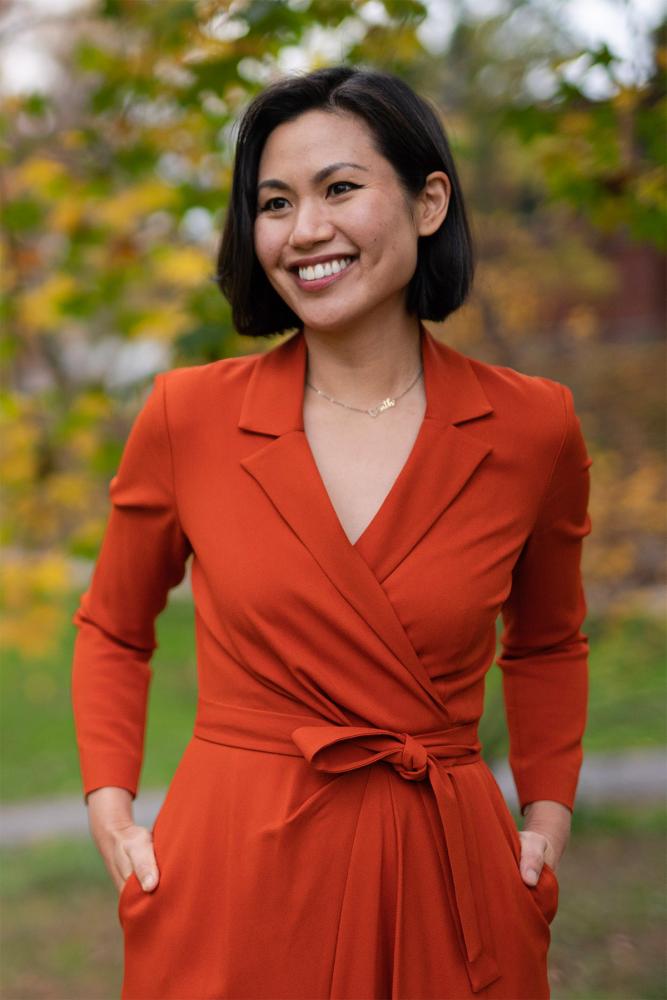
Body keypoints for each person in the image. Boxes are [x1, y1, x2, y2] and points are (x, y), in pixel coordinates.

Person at [71, 65, 593, 999]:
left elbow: (549, 642)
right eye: (274, 202)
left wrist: (545, 822)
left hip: (453, 874)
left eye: (339, 188)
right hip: (232, 879)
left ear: (429, 200)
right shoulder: (187, 417)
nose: (304, 229)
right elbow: (113, 626)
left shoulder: (533, 426)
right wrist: (113, 815)